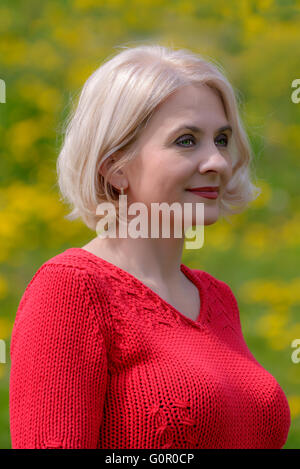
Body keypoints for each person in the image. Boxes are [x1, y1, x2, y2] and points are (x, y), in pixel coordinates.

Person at [9, 44, 291, 449]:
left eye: (222, 138)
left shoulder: (217, 297)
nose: (219, 162)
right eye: (187, 140)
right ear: (116, 167)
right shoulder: (72, 291)